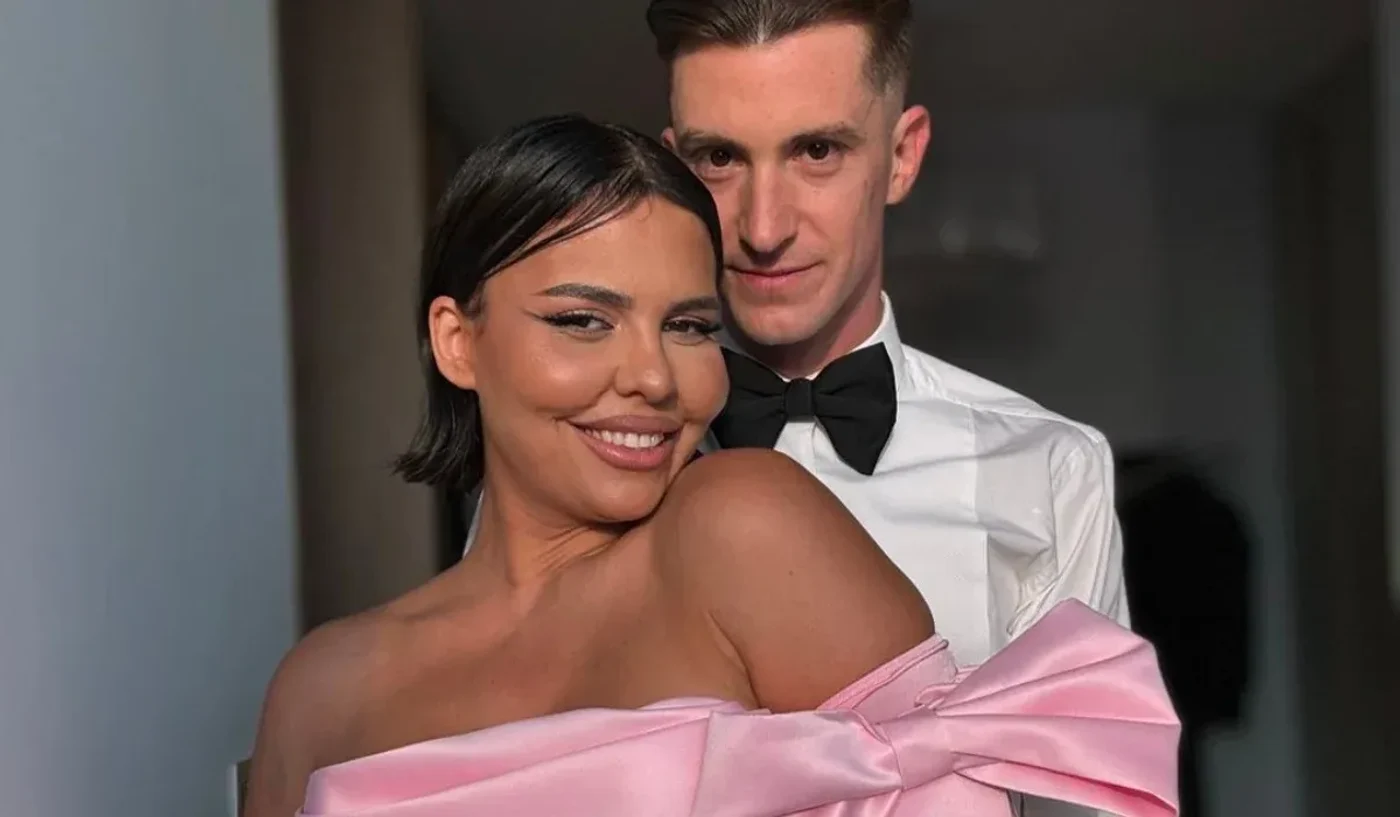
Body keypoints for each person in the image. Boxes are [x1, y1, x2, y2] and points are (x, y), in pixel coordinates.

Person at [243, 115, 1177, 817]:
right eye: (583, 320)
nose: (654, 377)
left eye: (690, 327)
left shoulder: (742, 528)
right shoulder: (321, 688)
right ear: (457, 341)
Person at [645, 0, 1128, 667]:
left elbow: (1086, 739)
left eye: (817, 151)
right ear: (674, 174)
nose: (763, 228)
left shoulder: (1049, 472)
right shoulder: (593, 457)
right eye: (720, 158)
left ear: (902, 157)